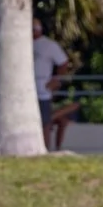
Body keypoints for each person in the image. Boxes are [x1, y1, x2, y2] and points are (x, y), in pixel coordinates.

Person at [32, 18, 72, 150]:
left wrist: (56, 79)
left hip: (42, 90)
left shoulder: (49, 45)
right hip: (26, 91)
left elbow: (63, 62)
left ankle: (45, 148)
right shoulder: (23, 44)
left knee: (45, 122)